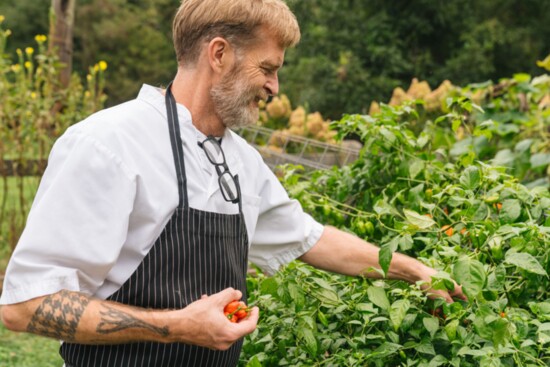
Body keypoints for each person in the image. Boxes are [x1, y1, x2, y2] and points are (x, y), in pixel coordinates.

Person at [0, 0, 465, 366]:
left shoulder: (239, 160)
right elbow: (25, 305)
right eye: (268, 68)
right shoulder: (108, 145)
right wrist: (178, 326)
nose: (275, 88)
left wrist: (414, 270)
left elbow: (309, 239)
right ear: (218, 54)